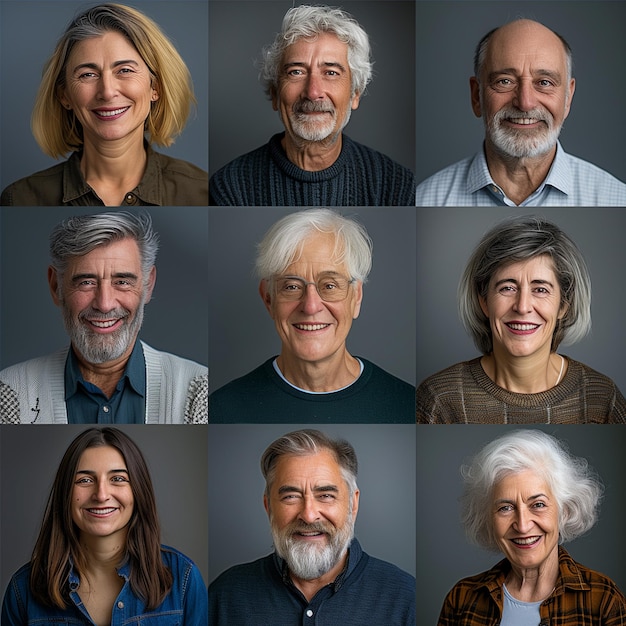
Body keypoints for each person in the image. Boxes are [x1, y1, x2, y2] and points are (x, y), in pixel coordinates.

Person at [209, 209, 415, 422]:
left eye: (329, 285)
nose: (311, 306)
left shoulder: (409, 406)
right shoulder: (221, 410)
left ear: (356, 297)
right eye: (291, 286)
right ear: (268, 299)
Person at [0, 212, 207, 424]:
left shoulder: (197, 392)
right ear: (56, 287)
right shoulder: (10, 395)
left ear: (148, 285)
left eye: (122, 282)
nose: (105, 304)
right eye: (86, 282)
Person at [416, 215, 626, 423]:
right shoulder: (438, 399)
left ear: (564, 305)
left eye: (540, 289)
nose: (523, 307)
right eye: (507, 287)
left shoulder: (602, 397)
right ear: (484, 301)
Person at [0, 3, 208, 206]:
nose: (107, 92)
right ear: (65, 96)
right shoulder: (20, 199)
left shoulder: (202, 192)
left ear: (156, 87)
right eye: (88, 74)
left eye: (125, 70)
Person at [209, 4, 416, 206]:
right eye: (296, 72)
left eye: (331, 73)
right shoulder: (230, 188)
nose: (313, 92)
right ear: (275, 94)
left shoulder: (397, 187)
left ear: (355, 94)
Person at [1, 427, 207, 625]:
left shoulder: (184, 578)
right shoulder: (23, 589)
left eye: (117, 479)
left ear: (138, 491)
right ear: (65, 493)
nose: (101, 495)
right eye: (85, 480)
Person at [209, 428, 416, 624]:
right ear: (268, 506)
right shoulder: (224, 597)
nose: (308, 515)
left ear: (353, 504)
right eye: (291, 497)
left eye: (325, 495)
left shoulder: (406, 599)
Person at [415, 19, 626, 207]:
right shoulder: (424, 198)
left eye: (544, 83)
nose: (525, 103)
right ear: (476, 96)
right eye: (504, 81)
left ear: (568, 97)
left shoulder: (617, 199)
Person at [438, 429, 626, 624]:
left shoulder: (604, 600)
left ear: (565, 510)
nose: (523, 525)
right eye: (505, 508)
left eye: (538, 505)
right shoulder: (461, 599)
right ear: (489, 519)